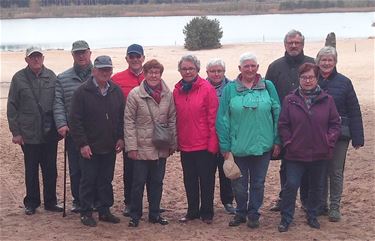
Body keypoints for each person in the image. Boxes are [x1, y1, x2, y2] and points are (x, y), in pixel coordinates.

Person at [216, 53, 281, 228]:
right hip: (238, 147)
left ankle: (254, 213)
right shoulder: (230, 89)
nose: (250, 69)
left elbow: (277, 113)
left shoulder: (268, 86)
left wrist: (277, 140)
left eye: (253, 66)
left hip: (263, 146)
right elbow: (222, 118)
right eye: (246, 66)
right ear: (240, 69)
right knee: (238, 184)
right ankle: (240, 212)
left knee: (258, 183)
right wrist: (224, 146)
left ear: (258, 68)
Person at [277, 63, 341, 232]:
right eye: (304, 77)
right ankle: (286, 218)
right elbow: (283, 124)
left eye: (311, 77)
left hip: (319, 153)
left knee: (316, 186)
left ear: (317, 78)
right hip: (295, 153)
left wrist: (329, 140)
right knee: (291, 185)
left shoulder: (327, 100)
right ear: (299, 79)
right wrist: (288, 142)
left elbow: (335, 123)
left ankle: (312, 215)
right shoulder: (290, 99)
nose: (307, 80)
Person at [69, 55, 125, 227]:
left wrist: (121, 137)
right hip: (90, 146)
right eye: (101, 69)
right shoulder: (81, 92)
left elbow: (121, 117)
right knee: (88, 180)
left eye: (108, 69)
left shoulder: (116, 90)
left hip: (109, 145)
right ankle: (86, 212)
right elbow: (75, 121)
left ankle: (104, 210)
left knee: (105, 180)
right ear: (94, 71)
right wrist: (82, 144)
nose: (105, 72)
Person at [7, 46, 63, 215]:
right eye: (32, 57)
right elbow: (12, 106)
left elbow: (58, 102)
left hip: (49, 133)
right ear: (26, 60)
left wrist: (60, 125)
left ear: (43, 58)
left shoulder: (51, 76)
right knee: (31, 169)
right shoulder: (18, 78)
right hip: (28, 133)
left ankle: (51, 201)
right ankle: (31, 202)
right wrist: (15, 132)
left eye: (38, 56)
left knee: (50, 169)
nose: (36, 59)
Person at [265, 29, 315, 212]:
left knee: (309, 164)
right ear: (285, 45)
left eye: (297, 43)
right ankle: (284, 198)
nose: (294, 46)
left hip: (309, 126)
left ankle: (307, 200)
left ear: (302, 44)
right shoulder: (275, 67)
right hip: (283, 125)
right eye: (290, 43)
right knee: (286, 165)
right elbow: (267, 96)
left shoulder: (313, 64)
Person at [125, 59, 177, 227]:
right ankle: (135, 215)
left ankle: (154, 214)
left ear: (160, 74)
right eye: (150, 72)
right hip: (141, 147)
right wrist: (131, 147)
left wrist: (172, 144)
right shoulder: (135, 94)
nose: (154, 75)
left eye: (157, 72)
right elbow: (129, 122)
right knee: (137, 183)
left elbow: (172, 120)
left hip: (160, 146)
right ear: (145, 74)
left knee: (157, 183)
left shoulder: (167, 94)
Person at [316, 46, 364, 222]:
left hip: (340, 134)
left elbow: (354, 110)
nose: (326, 63)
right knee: (319, 169)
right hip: (316, 134)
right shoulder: (311, 80)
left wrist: (358, 137)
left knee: (335, 171)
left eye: (330, 60)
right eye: (323, 59)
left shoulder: (344, 82)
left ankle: (334, 206)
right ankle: (321, 204)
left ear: (335, 62)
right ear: (318, 61)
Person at [173, 54, 219, 224]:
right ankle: (192, 211)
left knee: (206, 180)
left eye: (191, 68)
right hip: (185, 145)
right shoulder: (177, 90)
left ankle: (207, 212)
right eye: (184, 69)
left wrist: (213, 144)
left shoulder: (207, 89)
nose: (187, 71)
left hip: (204, 145)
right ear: (180, 71)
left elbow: (213, 118)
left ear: (197, 70)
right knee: (189, 180)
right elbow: (175, 117)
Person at [53, 40, 93, 213]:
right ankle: (78, 200)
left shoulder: (100, 74)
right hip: (73, 132)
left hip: (96, 131)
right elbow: (58, 103)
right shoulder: (63, 78)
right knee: (76, 169)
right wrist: (61, 124)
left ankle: (96, 199)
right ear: (72, 55)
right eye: (77, 53)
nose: (81, 55)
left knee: (95, 167)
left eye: (84, 52)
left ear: (90, 53)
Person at [111, 43, 147, 217]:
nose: (135, 59)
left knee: (151, 170)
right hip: (128, 132)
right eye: (131, 56)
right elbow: (114, 109)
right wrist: (119, 135)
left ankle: (152, 201)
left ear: (143, 58)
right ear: (126, 59)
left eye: (137, 56)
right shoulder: (117, 79)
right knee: (130, 169)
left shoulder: (152, 77)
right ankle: (129, 202)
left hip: (149, 133)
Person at [205, 58, 235, 214]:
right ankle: (207, 204)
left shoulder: (233, 87)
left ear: (224, 72)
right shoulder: (201, 87)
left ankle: (228, 201)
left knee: (227, 172)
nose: (216, 74)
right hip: (206, 137)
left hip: (227, 135)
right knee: (207, 173)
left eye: (219, 71)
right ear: (207, 72)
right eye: (213, 71)